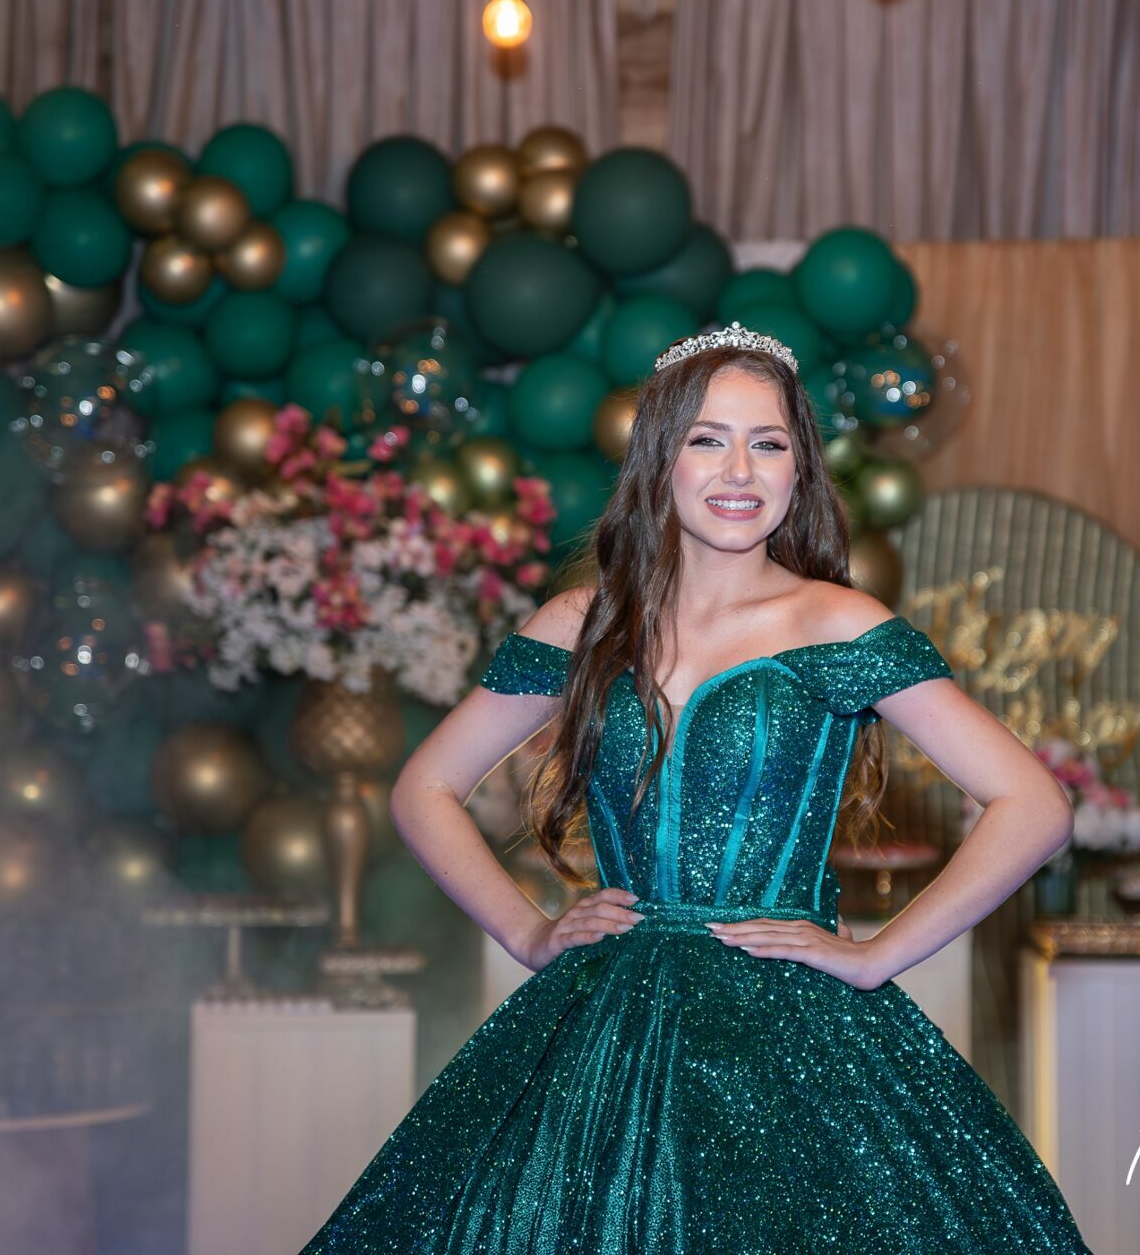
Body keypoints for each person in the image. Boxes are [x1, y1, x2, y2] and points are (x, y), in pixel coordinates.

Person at [301, 323, 1091, 1253]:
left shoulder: (837, 623)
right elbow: (423, 786)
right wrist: (527, 931)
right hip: (607, 1021)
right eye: (707, 439)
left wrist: (878, 955)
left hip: (794, 1031)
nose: (740, 470)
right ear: (659, 459)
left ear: (801, 468)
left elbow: (1035, 805)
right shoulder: (582, 622)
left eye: (769, 443)